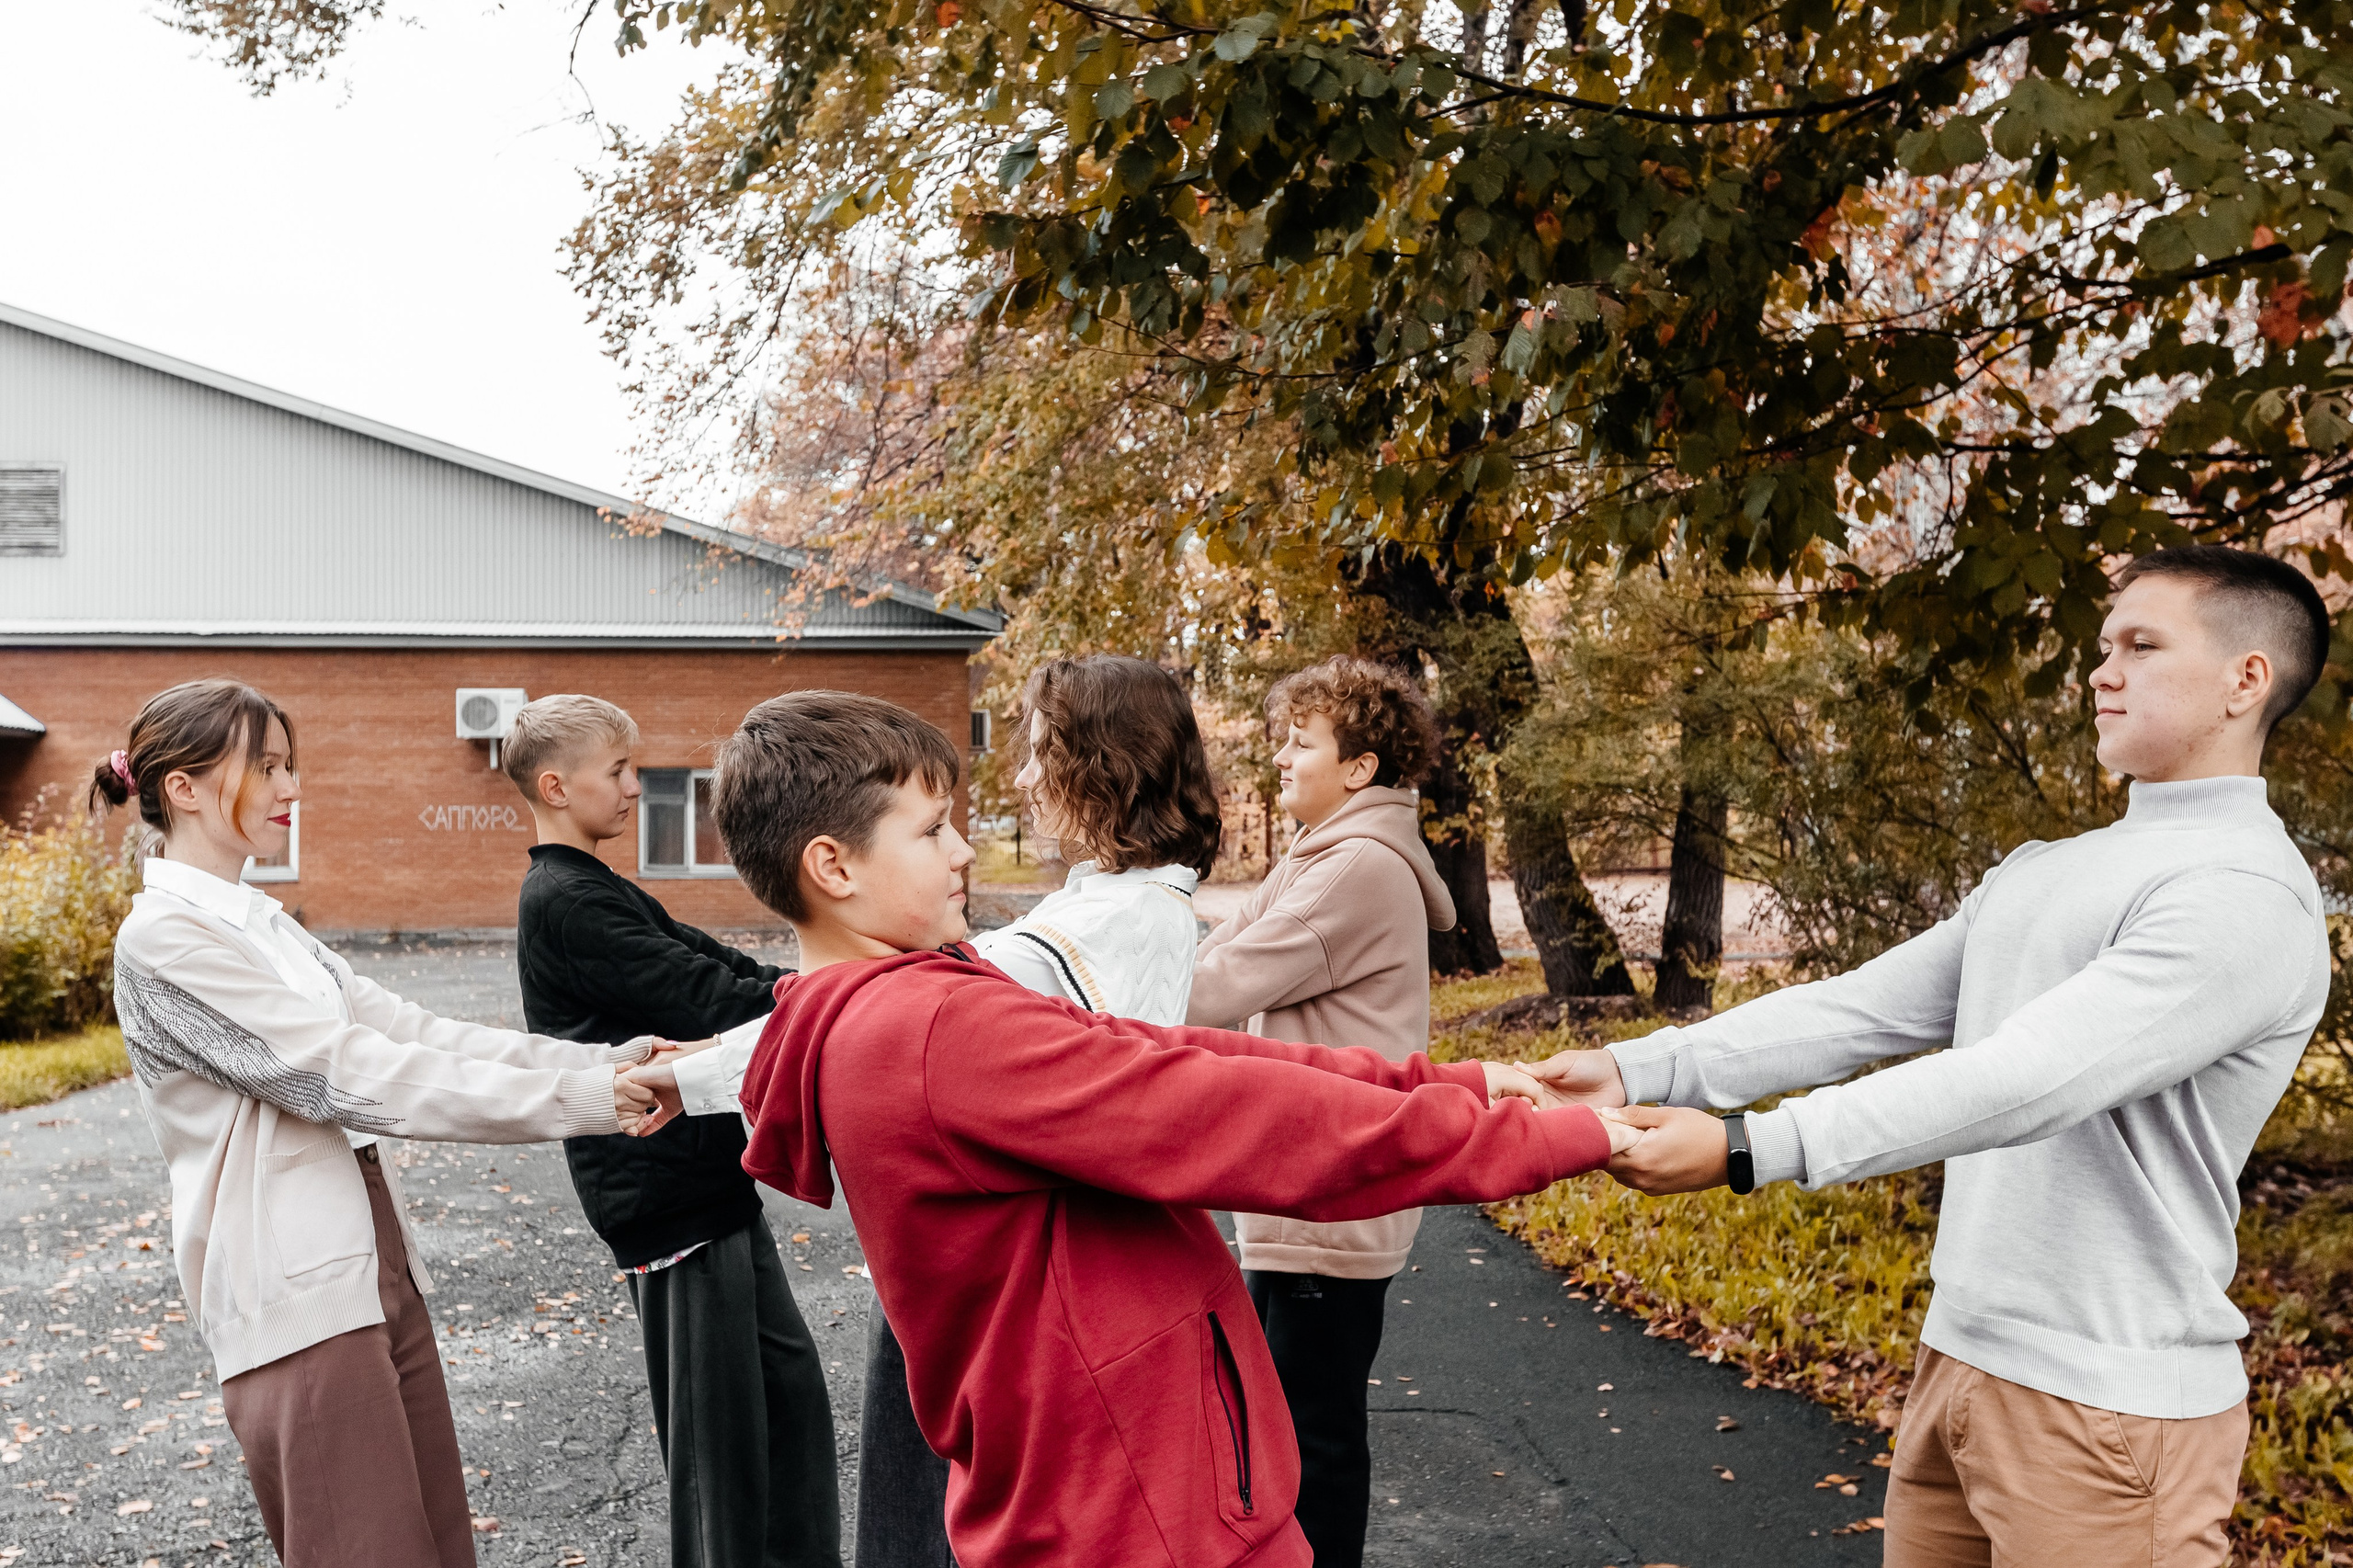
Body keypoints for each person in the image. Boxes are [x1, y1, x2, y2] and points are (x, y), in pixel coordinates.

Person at [628, 689, 1636, 1568]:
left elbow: (1200, 1066)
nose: (966, 850)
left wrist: (1450, 1077)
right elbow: (1234, 1117)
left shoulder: (901, 1006)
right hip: (1137, 1513)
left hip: (1104, 1495)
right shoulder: (934, 1027)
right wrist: (1565, 1139)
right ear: (832, 866)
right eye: (932, 830)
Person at [1531, 546, 2336, 1567]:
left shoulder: (2240, 892)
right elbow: (1865, 1007)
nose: (2102, 671)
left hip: (2110, 1405)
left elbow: (2025, 1076)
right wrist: (1644, 1068)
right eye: (2103, 647)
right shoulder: (2055, 868)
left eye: (2141, 645)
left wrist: (1748, 1147)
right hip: (1959, 1362)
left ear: (2245, 679)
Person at [634, 654, 1229, 1568]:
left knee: (934, 1522)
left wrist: (703, 1073)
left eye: (1041, 751)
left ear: (1108, 764)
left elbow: (895, 1013)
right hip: (1023, 1263)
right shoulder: (1109, 905)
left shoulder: (1109, 924)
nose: (1025, 776)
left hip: (1019, 1282)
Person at [95, 679, 665, 1568]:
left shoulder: (265, 926)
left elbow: (412, 1031)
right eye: (269, 768)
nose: (292, 790)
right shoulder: (166, 941)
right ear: (186, 787)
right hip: (291, 1289)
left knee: (435, 1544)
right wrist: (587, 1105)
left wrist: (603, 1064)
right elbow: (345, 1075)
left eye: (292, 767)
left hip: (373, 1258)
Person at [503, 695, 839, 1568]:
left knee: (788, 1396)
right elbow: (699, 993)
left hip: (710, 1189)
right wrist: (834, 1001)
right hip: (664, 1200)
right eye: (615, 770)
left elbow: (716, 962)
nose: (632, 784)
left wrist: (816, 989)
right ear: (555, 784)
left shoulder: (598, 886)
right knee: (719, 1446)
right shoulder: (563, 901)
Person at [1184, 654, 1454, 1568]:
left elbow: (1214, 984)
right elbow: (1228, 943)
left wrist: (1078, 992)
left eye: (1301, 742)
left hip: (1328, 1197)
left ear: (1360, 768)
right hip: (1307, 1189)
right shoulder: (1319, 852)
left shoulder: (1358, 867)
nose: (1281, 758)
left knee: (1308, 1441)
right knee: (1286, 1427)